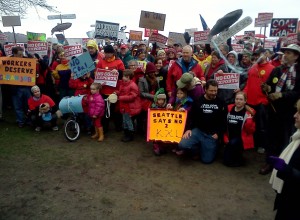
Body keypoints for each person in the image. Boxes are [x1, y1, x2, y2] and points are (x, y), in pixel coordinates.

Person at [260, 44, 300, 175]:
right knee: (271, 137)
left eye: (288, 53)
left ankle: (283, 164)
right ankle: (269, 162)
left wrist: (282, 95)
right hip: (273, 110)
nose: (285, 55)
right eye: (285, 53)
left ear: (296, 56)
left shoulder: (298, 72)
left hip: (290, 113)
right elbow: (271, 85)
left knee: (286, 138)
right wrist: (267, 88)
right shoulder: (277, 70)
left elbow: (298, 92)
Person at [177, 79, 226, 163]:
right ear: (205, 89)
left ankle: (212, 147)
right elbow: (192, 116)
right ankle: (197, 149)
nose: (214, 93)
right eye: (211, 90)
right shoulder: (198, 101)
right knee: (182, 144)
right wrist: (189, 129)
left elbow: (224, 120)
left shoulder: (221, 102)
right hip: (198, 130)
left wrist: (218, 133)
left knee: (206, 160)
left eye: (215, 91)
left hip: (212, 134)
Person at [269, 99, 300, 220]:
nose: (295, 115)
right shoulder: (297, 136)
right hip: (288, 197)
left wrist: (287, 170)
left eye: (298, 112)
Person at [243, 48, 275, 156]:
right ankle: (253, 143)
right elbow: (248, 83)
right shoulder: (252, 68)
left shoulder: (272, 69)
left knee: (262, 126)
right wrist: (244, 95)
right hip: (250, 101)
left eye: (258, 55)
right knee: (250, 124)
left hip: (262, 102)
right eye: (255, 55)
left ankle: (262, 145)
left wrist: (266, 100)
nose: (256, 57)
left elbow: (272, 87)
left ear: (265, 54)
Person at [96, 44, 125, 133]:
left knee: (116, 110)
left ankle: (118, 126)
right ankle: (105, 128)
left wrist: (118, 72)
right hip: (104, 90)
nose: (107, 55)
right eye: (106, 53)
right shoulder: (101, 62)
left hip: (115, 90)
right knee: (105, 110)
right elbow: (97, 73)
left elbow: (123, 74)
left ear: (113, 53)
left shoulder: (119, 62)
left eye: (109, 53)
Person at [223, 92, 256, 167]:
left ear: (245, 101)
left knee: (229, 161)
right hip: (228, 136)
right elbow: (223, 124)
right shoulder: (229, 108)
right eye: (237, 99)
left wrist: (249, 121)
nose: (238, 101)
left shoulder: (250, 112)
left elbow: (251, 131)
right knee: (226, 160)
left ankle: (239, 157)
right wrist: (225, 137)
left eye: (241, 99)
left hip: (241, 139)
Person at [114, 69, 141, 142]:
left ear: (128, 77)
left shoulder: (133, 85)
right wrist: (116, 93)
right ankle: (126, 134)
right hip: (124, 106)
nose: (122, 77)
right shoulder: (123, 83)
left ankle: (130, 135)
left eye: (123, 76)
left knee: (128, 121)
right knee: (125, 121)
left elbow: (132, 97)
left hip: (129, 107)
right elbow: (121, 91)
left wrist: (120, 98)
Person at [10, 46, 32, 128]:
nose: (21, 56)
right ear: (14, 54)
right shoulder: (8, 61)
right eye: (19, 55)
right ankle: (21, 121)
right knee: (17, 106)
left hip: (26, 87)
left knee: (29, 105)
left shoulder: (27, 59)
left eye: (22, 54)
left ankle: (29, 120)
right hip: (15, 88)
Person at [151, 88, 168, 155]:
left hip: (163, 125)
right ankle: (156, 148)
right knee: (156, 138)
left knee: (162, 137)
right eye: (159, 100)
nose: (161, 101)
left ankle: (162, 148)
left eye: (162, 100)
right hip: (155, 125)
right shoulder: (153, 107)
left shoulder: (166, 107)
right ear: (156, 100)